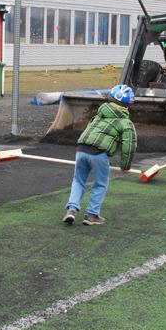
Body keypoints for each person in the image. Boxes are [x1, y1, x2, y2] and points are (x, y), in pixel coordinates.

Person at [62, 84, 137, 226]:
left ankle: (71, 209)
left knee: (78, 180)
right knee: (100, 184)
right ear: (128, 105)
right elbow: (129, 146)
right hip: (99, 154)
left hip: (81, 150)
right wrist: (125, 166)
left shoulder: (99, 115)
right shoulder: (125, 122)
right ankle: (91, 215)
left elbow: (89, 131)